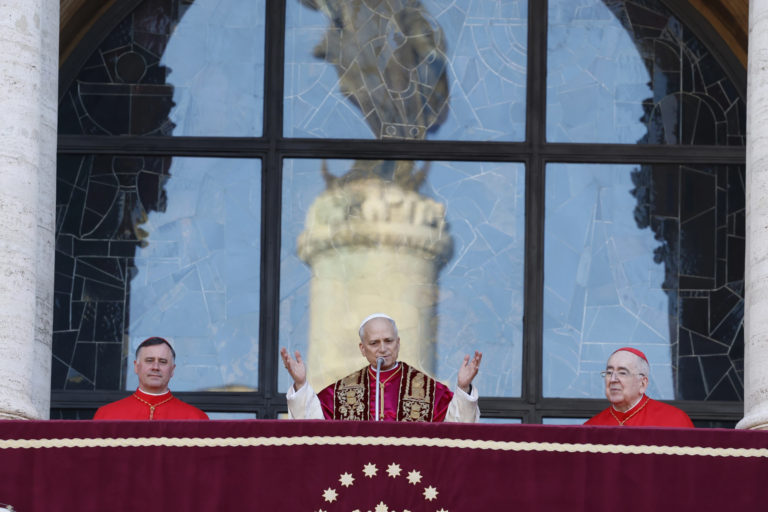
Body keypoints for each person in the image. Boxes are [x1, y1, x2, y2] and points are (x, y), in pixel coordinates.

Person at [281, 313, 482, 422]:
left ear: (398, 343)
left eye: (389, 341)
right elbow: (312, 427)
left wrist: (463, 388)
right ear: (362, 349)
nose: (383, 349)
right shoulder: (341, 392)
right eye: (374, 343)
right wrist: (300, 384)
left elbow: (457, 431)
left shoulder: (429, 390)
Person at [94, 337, 209, 420]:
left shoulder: (196, 418)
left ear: (172, 370)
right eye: (149, 361)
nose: (155, 367)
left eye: (162, 362)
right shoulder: (106, 415)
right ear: (136, 366)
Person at [585, 347, 693, 428]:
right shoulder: (591, 427)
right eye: (609, 372)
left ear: (642, 384)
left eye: (622, 373)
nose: (613, 379)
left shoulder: (674, 420)